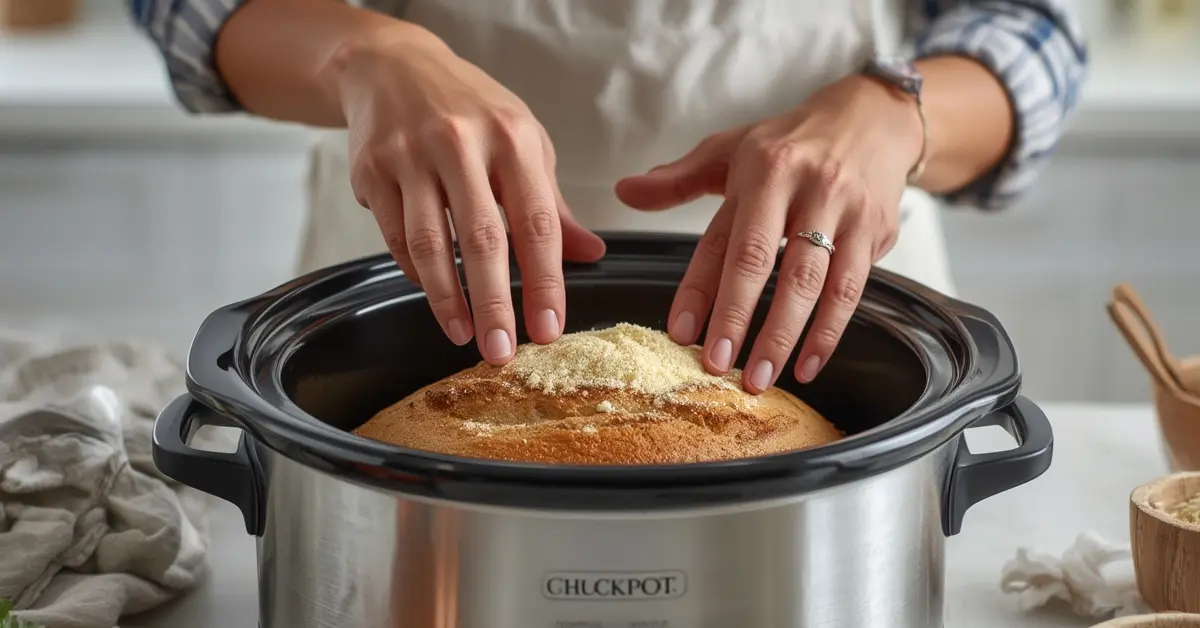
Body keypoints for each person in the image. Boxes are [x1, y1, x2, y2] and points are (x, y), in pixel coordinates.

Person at [130, 0, 1086, 395]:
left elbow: (1028, 28)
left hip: (821, 272)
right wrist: (362, 52)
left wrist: (896, 111)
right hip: (416, 279)